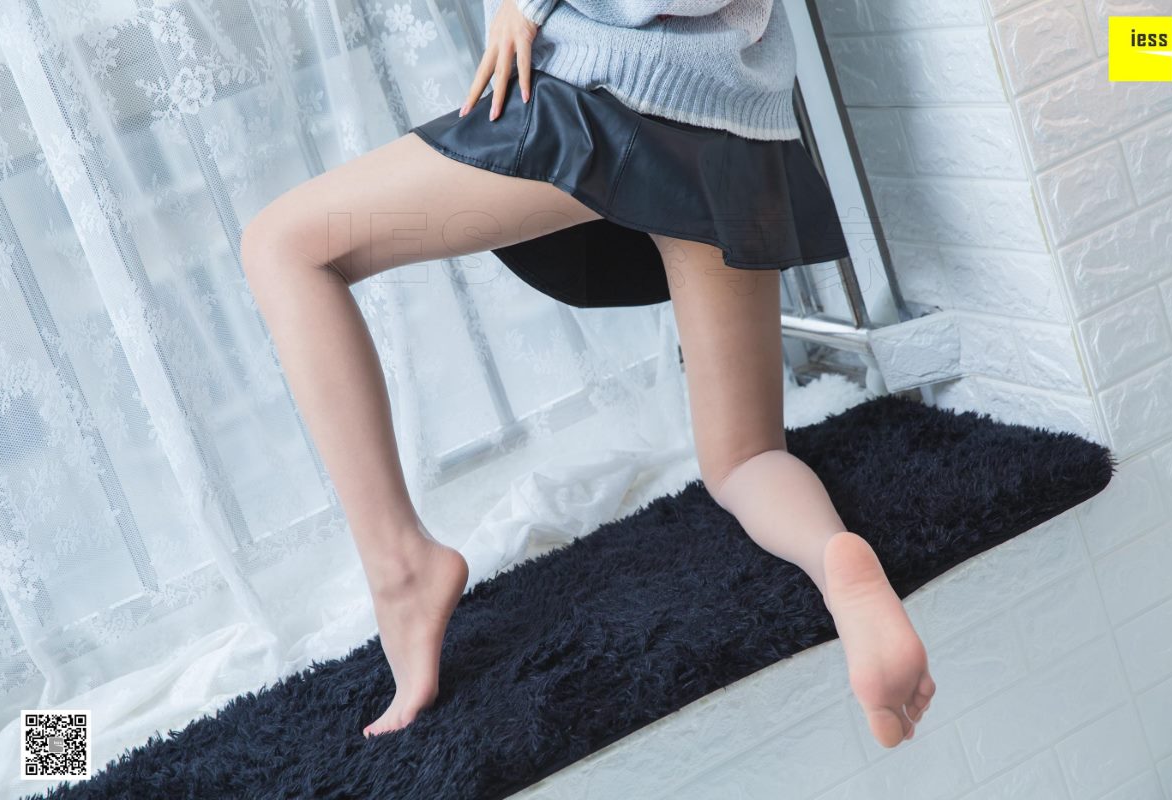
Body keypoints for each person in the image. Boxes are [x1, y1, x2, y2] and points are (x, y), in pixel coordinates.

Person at [240, 0, 934, 749]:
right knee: (746, 457)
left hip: (611, 104)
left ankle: (400, 567)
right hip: (738, 128)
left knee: (283, 245)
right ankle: (835, 563)